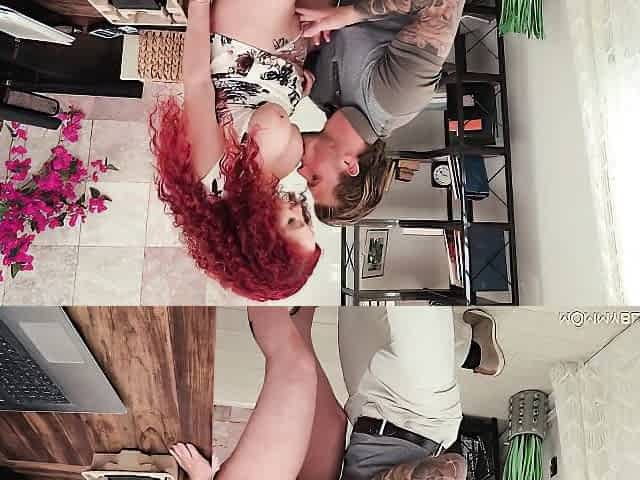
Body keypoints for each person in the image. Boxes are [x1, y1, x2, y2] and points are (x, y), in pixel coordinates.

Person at [171, 306, 503, 480]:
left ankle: (474, 352)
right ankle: (464, 350)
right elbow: (457, 465)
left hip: (366, 405)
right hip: (422, 415)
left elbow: (323, 430)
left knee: (364, 275)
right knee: (407, 281)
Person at [149, 0, 322, 301]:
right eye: (306, 221)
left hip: (243, 44)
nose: (300, 209)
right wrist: (294, 93)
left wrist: (199, 5)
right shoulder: (264, 188)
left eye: (293, 223)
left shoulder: (214, 179)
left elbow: (198, 84)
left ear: (259, 239)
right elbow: (267, 114)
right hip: (289, 52)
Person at [296, 0, 466, 224]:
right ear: (349, 165)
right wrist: (349, 14)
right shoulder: (395, 98)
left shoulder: (318, 93)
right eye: (315, 178)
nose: (301, 172)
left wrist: (292, 69)